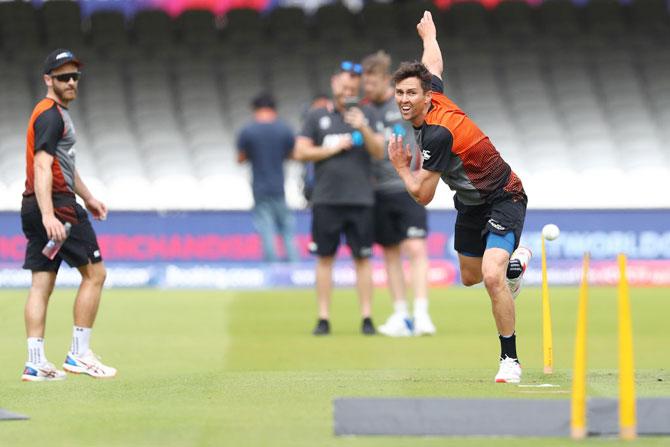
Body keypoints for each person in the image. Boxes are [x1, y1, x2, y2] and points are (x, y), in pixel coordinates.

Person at [388, 12, 532, 383]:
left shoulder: (437, 134)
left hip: (504, 196)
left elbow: (422, 194)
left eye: (411, 94)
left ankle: (509, 361)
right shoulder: (430, 94)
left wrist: (402, 167)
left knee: (490, 277)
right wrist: (430, 36)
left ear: (425, 96)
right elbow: (433, 62)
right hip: (470, 204)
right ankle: (516, 264)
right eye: (400, 93)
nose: (404, 100)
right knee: (470, 277)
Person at [20, 49, 116, 381]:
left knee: (41, 284)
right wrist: (51, 214)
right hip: (57, 209)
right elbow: (43, 165)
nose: (71, 82)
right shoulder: (51, 115)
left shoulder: (49, 113)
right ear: (48, 80)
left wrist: (88, 197)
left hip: (34, 204)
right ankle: (78, 354)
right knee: (95, 275)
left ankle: (35, 362)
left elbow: (63, 165)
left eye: (75, 76)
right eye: (63, 77)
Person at [295, 61, 384, 336]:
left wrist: (363, 127)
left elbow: (380, 151)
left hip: (361, 198)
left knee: (363, 258)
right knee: (324, 257)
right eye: (344, 86)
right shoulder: (316, 116)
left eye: (353, 87)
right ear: (334, 83)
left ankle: (367, 317)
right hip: (326, 198)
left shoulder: (367, 112)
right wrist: (330, 148)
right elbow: (300, 152)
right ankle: (323, 318)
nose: (348, 91)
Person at [361, 50, 436, 337]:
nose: (367, 88)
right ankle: (401, 315)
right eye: (364, 83)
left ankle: (422, 314)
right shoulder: (368, 111)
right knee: (390, 253)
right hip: (377, 191)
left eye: (372, 82)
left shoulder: (401, 106)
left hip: (406, 185)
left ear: (384, 80)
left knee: (416, 249)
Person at [237, 92, 299, 263]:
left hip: (260, 187)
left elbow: (240, 158)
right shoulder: (284, 128)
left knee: (266, 230)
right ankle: (294, 266)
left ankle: (272, 269)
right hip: (279, 186)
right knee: (286, 229)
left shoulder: (248, 130)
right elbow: (292, 154)